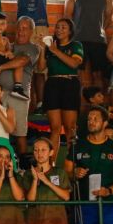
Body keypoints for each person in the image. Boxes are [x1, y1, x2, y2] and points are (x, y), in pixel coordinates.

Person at [0, 16, 41, 157]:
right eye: (19, 28)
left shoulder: (33, 48)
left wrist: (1, 67)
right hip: (0, 94)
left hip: (19, 95)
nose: (21, 31)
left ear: (31, 31)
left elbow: (21, 61)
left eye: (25, 28)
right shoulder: (7, 46)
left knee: (20, 134)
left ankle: (22, 165)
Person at [64, 0, 113, 89]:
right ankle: (77, 102)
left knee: (98, 75)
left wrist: (101, 29)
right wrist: (72, 35)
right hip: (78, 40)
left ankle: (98, 102)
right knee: (78, 74)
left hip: (98, 41)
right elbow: (67, 17)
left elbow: (109, 17)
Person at [38, 18, 83, 159]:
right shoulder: (50, 46)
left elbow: (74, 63)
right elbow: (41, 68)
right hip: (52, 85)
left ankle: (72, 163)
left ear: (70, 31)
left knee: (70, 127)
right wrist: (43, 49)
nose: (59, 30)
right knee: (55, 128)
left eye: (63, 27)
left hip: (69, 84)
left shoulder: (75, 45)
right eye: (57, 27)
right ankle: (50, 164)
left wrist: (55, 50)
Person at [0, 12, 26, 98]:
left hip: (1, 60)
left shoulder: (5, 39)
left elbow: (9, 50)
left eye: (2, 24)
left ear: (6, 26)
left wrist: (9, 53)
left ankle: (18, 86)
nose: (0, 26)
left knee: (18, 61)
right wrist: (2, 53)